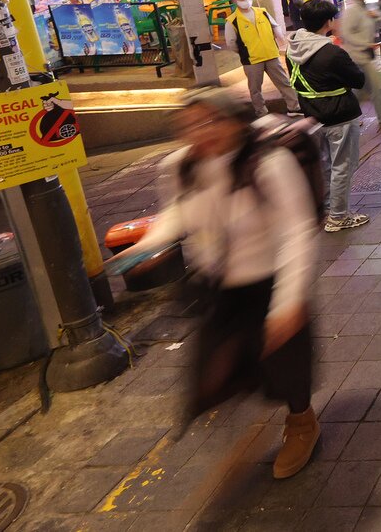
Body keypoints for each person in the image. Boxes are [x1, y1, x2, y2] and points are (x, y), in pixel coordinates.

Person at [136, 88, 320, 479]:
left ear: (237, 122)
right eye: (191, 124)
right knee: (214, 366)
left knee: (286, 366)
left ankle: (302, 424)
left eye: (212, 120)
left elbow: (297, 232)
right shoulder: (180, 166)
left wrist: (288, 303)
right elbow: (176, 214)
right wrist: (145, 247)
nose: (201, 131)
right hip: (218, 287)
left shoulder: (268, 163)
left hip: (270, 284)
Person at [287, 0, 368, 232]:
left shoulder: (293, 49)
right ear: (328, 22)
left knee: (324, 164)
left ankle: (326, 208)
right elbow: (358, 80)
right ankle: (339, 217)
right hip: (339, 115)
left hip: (312, 116)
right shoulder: (332, 52)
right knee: (342, 165)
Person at [222, 0, 300, 118]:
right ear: (234, 0)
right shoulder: (232, 21)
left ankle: (294, 107)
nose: (246, 0)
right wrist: (244, 52)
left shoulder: (262, 12)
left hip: (271, 55)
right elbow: (231, 43)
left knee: (284, 82)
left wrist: (280, 40)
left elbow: (275, 26)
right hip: (252, 60)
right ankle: (261, 112)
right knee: (255, 89)